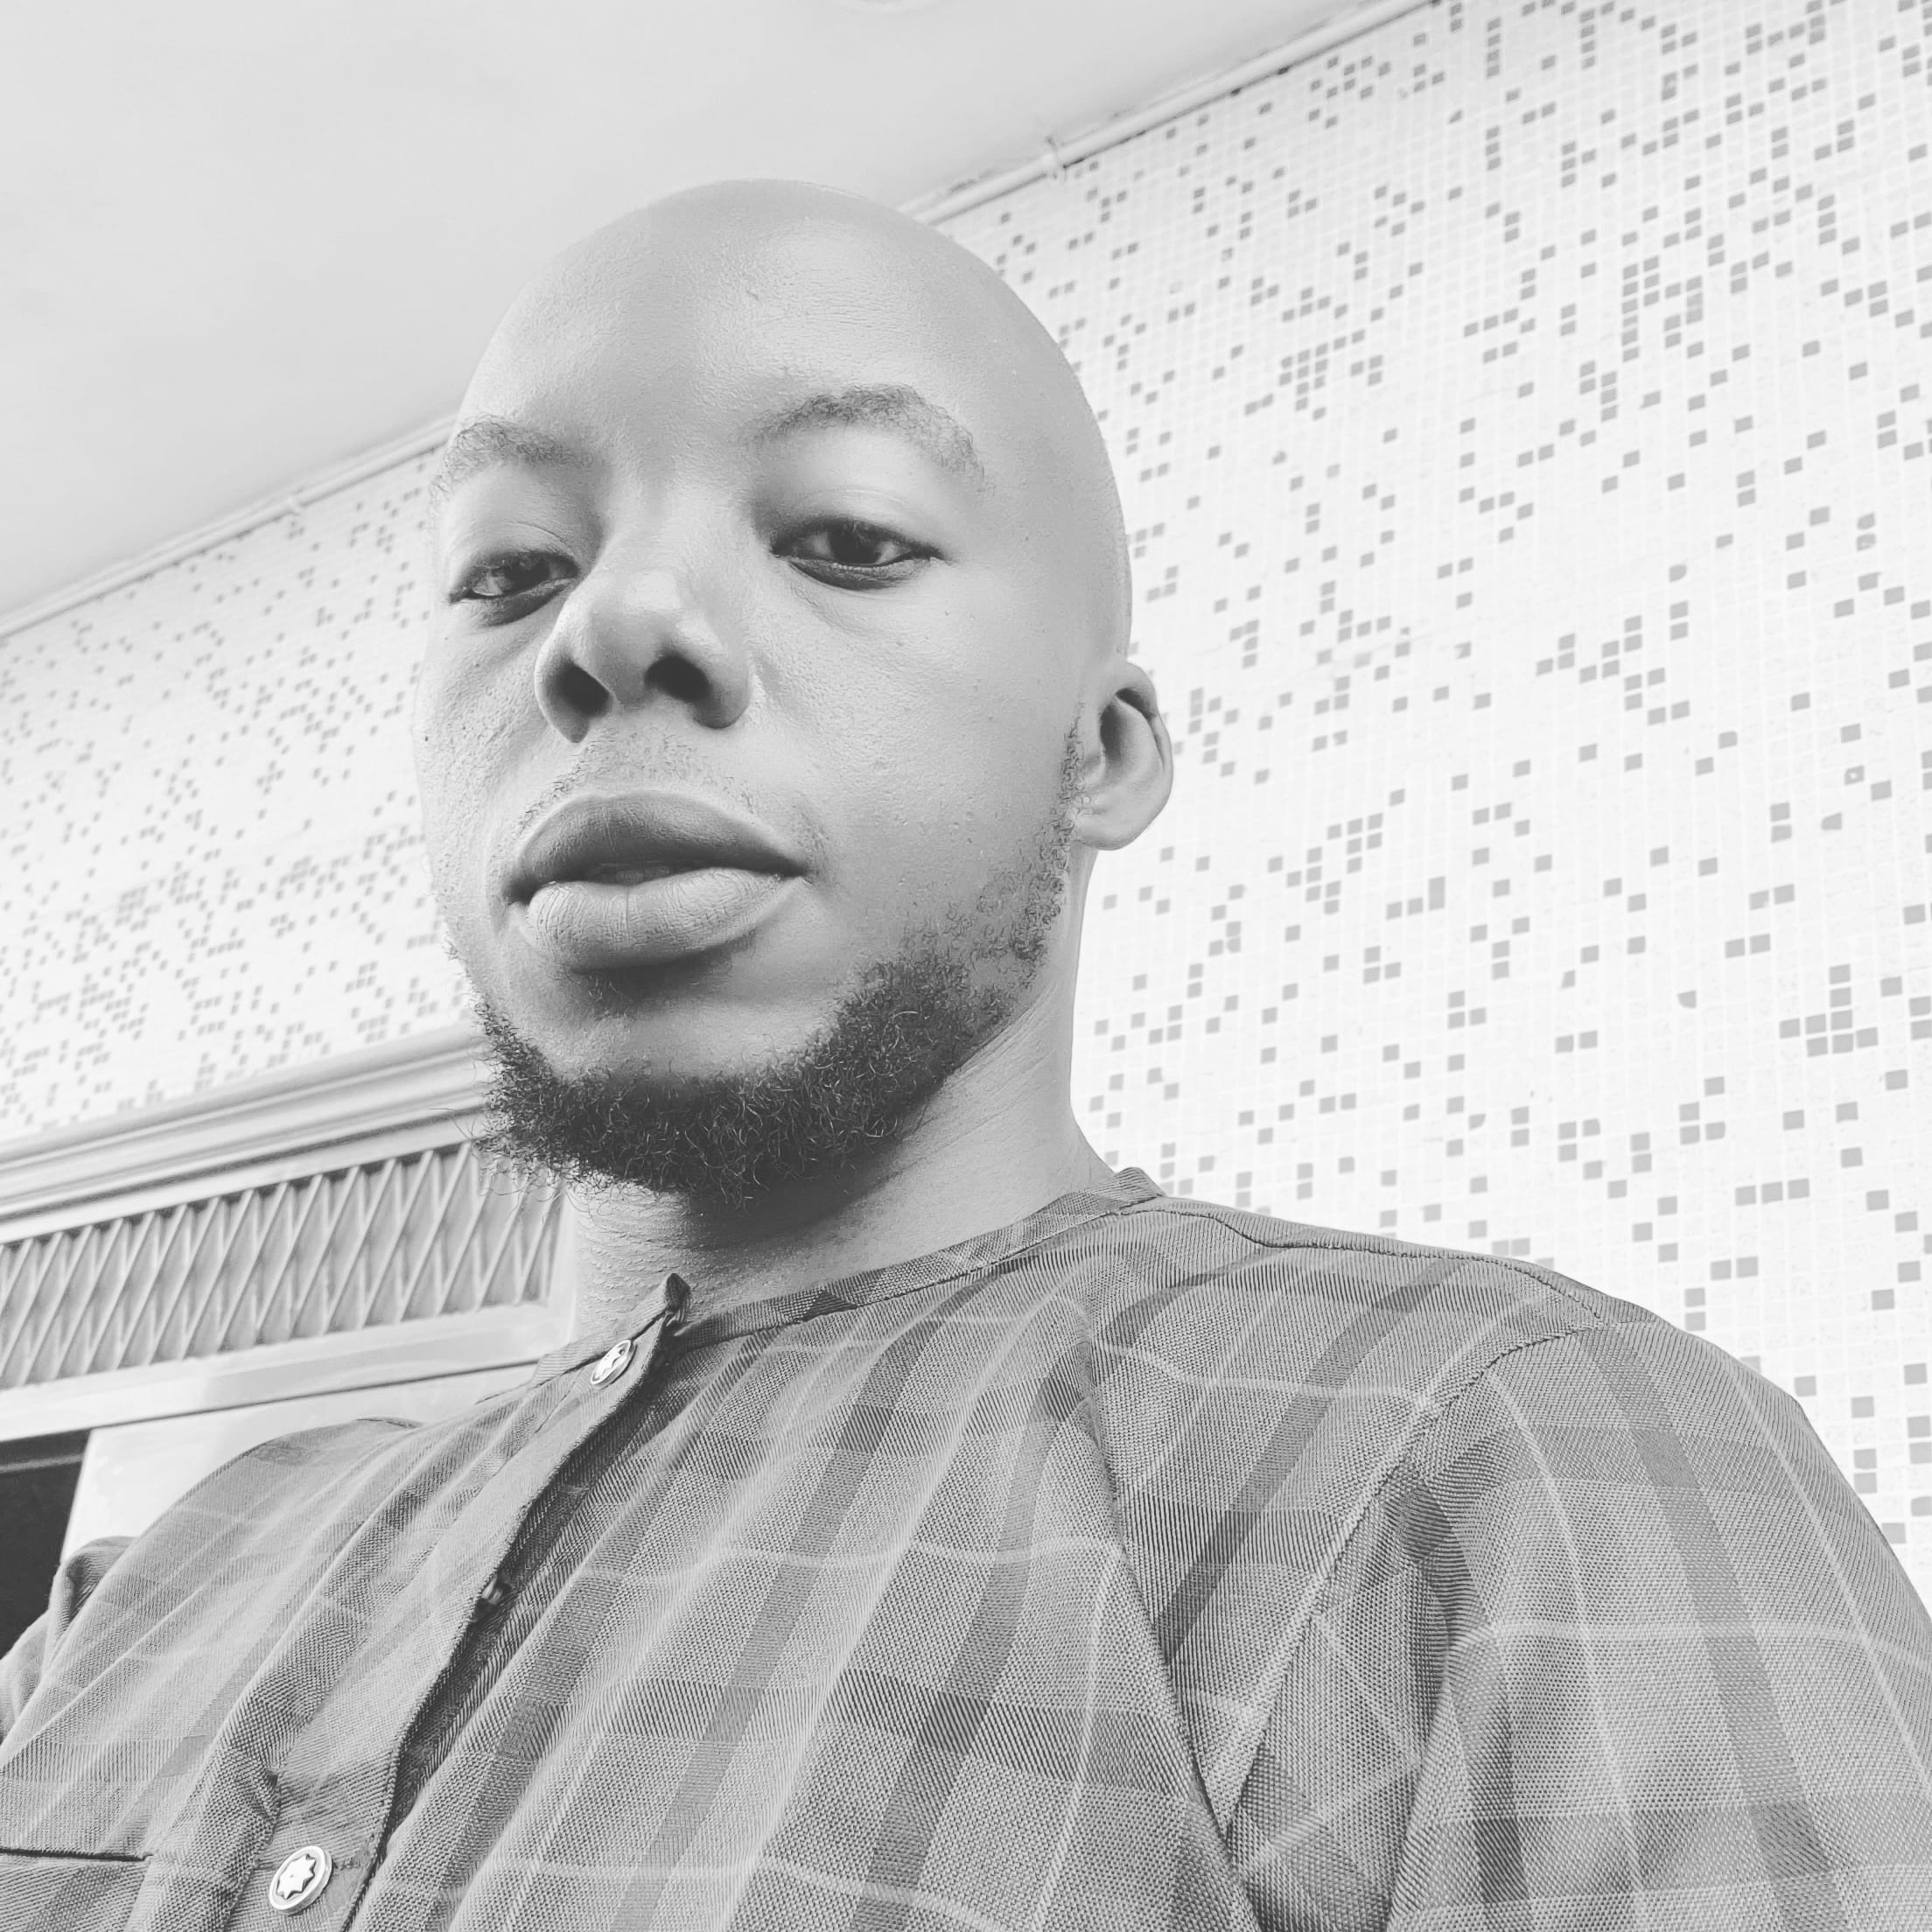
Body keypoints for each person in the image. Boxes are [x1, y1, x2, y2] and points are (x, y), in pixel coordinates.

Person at [3, 179, 1928, 1931]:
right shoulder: (151, 1592)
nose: (615, 624)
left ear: (1103, 752)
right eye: (509, 569)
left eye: (846, 538)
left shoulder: (1515, 1466)